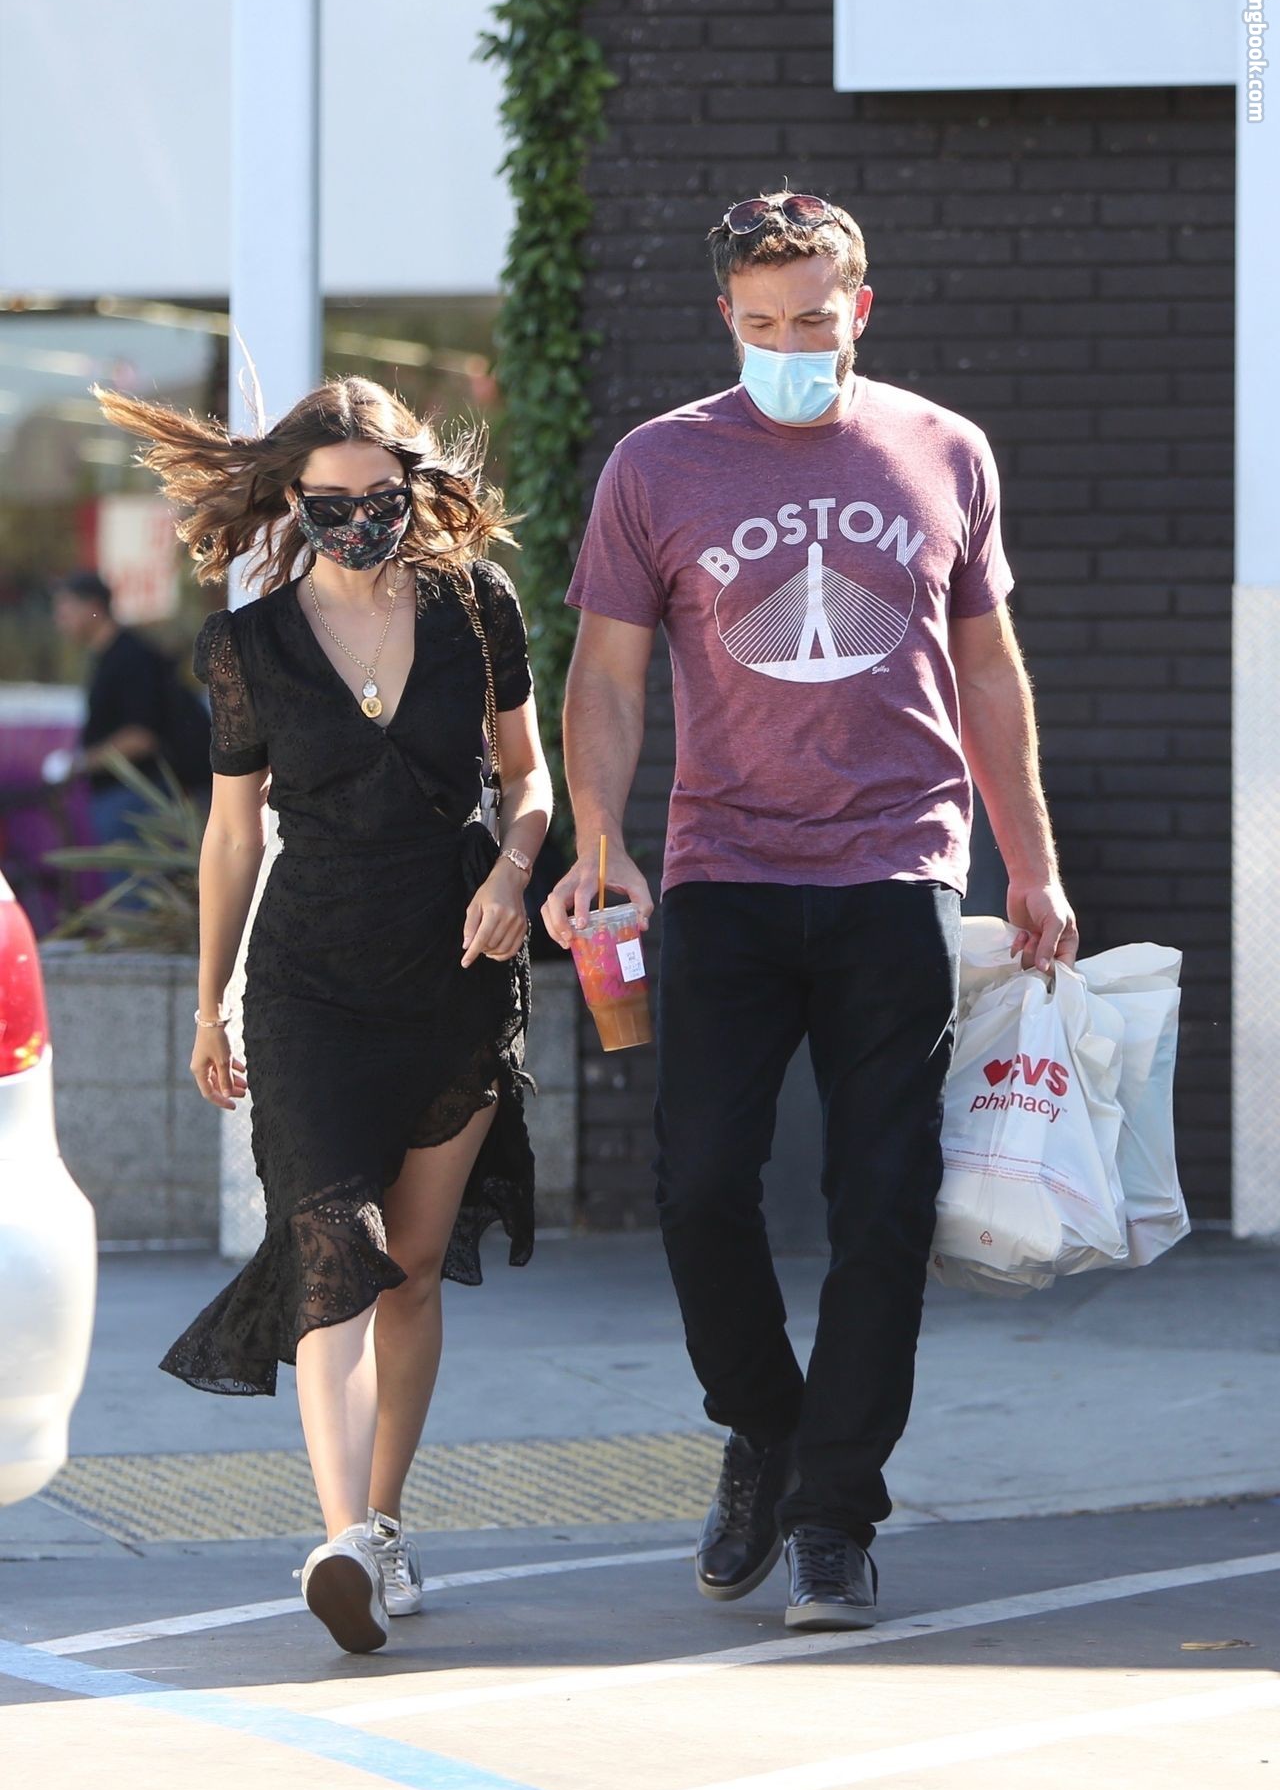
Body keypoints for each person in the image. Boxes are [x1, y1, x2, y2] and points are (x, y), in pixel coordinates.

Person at [543, 191, 1077, 1633]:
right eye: (763, 323)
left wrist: (1029, 861)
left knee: (883, 1201)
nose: (790, 346)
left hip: (897, 871)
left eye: (814, 321)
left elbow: (988, 669)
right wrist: (598, 843)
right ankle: (765, 1427)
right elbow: (605, 678)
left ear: (860, 309)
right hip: (721, 870)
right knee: (701, 1186)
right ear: (726, 318)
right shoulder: (658, 464)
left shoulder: (944, 450)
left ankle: (834, 1514)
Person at [96, 376, 552, 1653]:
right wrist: (209, 1005)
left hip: (454, 970)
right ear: (293, 503)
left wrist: (515, 874)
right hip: (308, 983)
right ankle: (342, 1536)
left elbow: (529, 778)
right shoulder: (247, 645)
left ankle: (385, 1525)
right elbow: (231, 838)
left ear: (414, 489)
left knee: (412, 1267)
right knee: (331, 1249)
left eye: (380, 498)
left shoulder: (475, 606)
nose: (359, 522)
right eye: (331, 503)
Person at [48, 570, 211, 838]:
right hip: (124, 797)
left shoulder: (131, 658)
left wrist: (78, 764)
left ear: (92, 608)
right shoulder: (110, 657)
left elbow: (141, 737)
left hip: (137, 798)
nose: (59, 620)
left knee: (135, 868)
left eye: (65, 610)